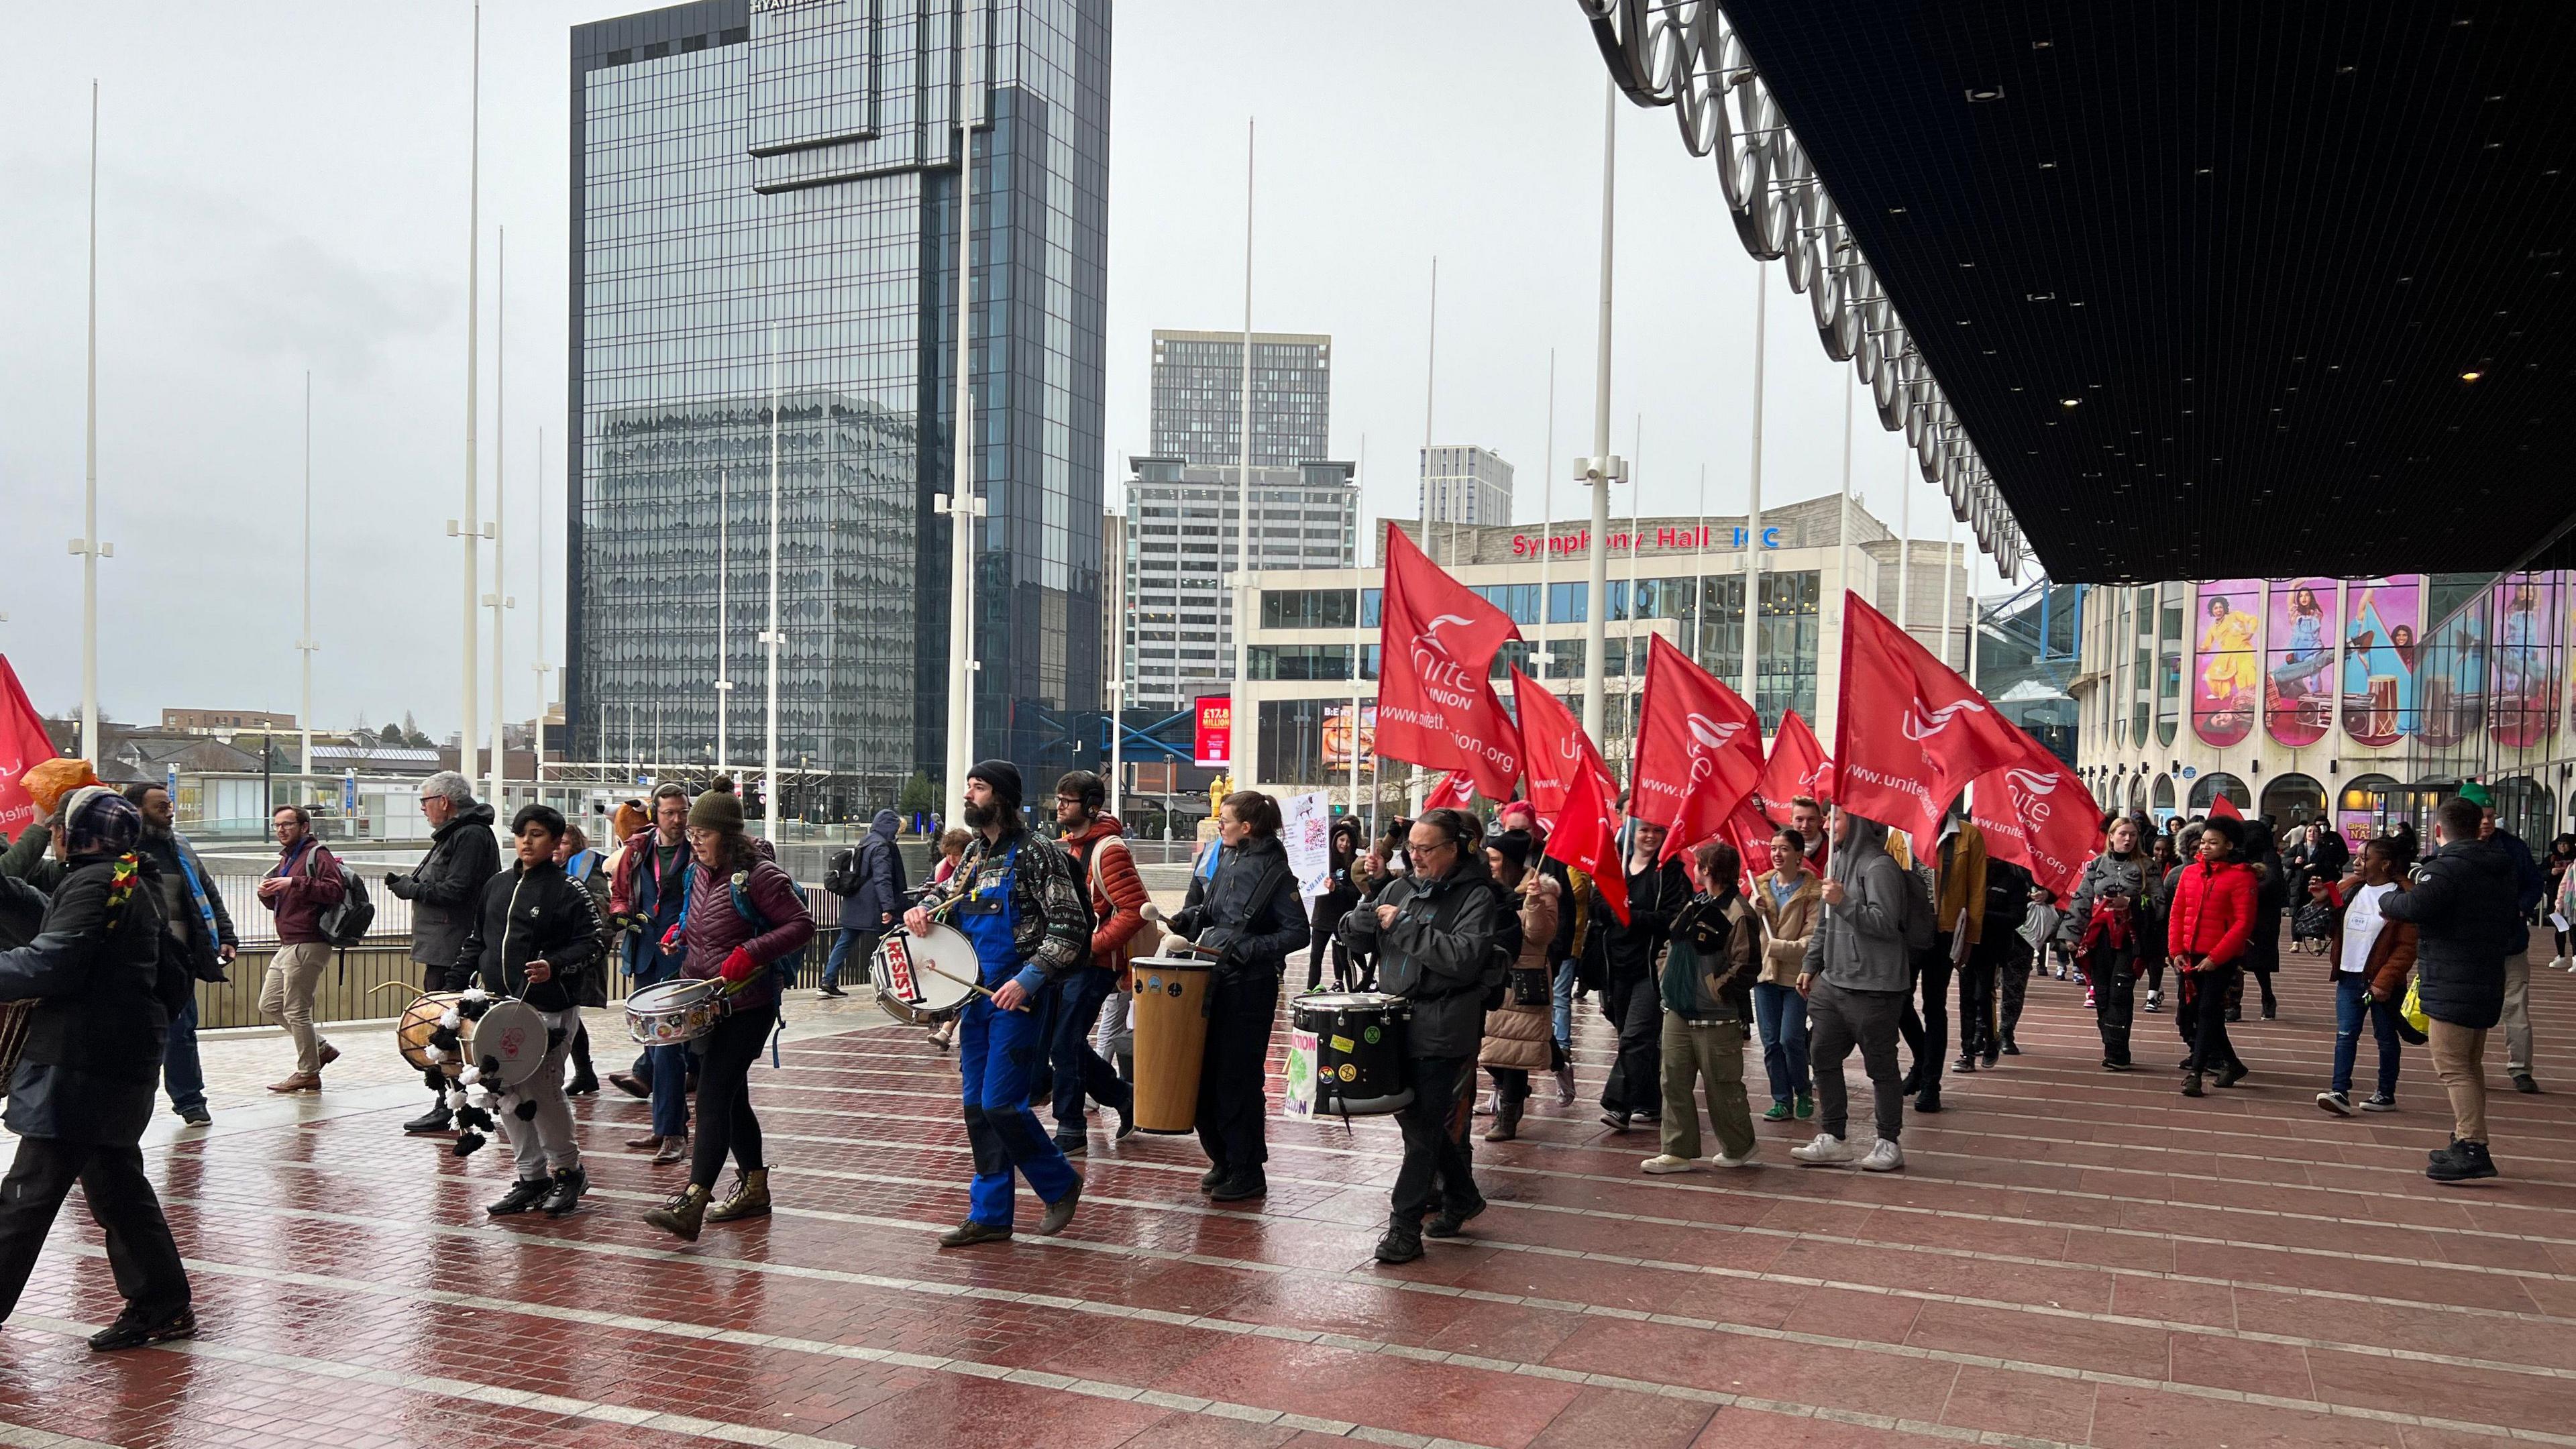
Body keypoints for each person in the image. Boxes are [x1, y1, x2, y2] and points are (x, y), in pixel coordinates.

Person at [0, 786, 195, 1352]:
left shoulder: (95, 881)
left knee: (27, 1194)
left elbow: (52, 962)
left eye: (60, 826)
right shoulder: (131, 877)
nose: (55, 836)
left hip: (80, 1063)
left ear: (80, 833)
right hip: (116, 1058)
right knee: (116, 1187)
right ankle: (162, 1304)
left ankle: (162, 1304)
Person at [901, 761, 1088, 1246]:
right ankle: (990, 1214)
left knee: (1002, 1105)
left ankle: (1060, 1182)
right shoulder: (973, 856)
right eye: (968, 786)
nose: (969, 794)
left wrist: (1028, 979)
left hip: (1018, 999)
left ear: (1001, 797)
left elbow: (1070, 927)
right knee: (976, 1110)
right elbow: (945, 896)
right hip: (977, 999)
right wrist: (922, 909)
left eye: (978, 787)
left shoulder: (1038, 853)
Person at [641, 780, 816, 1240]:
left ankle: (695, 1197)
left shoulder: (759, 875)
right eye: (692, 832)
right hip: (707, 999)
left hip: (749, 1002)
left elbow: (802, 925)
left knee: (715, 1091)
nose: (694, 840)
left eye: (704, 833)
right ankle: (755, 1188)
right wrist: (680, 935)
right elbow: (699, 920)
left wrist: (753, 952)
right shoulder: (698, 872)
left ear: (730, 834)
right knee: (732, 1097)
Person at [1340, 808, 1511, 1264]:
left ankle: (1404, 1228)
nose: (1415, 856)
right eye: (1411, 847)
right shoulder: (1400, 886)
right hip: (1396, 1023)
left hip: (1445, 1024)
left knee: (1420, 1131)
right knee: (1419, 1123)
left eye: (1426, 848)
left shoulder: (1477, 897)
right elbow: (1356, 935)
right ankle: (1463, 1195)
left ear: (1455, 849)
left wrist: (1406, 926)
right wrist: (1357, 925)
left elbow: (1462, 959)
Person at [464, 804, 608, 1219]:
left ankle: (568, 1172)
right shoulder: (497, 885)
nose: (527, 842)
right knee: (505, 1091)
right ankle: (531, 1178)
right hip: (497, 1007)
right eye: (522, 833)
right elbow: (478, 941)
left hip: (548, 1011)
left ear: (555, 842)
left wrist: (555, 966)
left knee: (543, 1092)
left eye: (538, 834)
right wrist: (452, 986)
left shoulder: (569, 890)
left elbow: (595, 943)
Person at [1169, 790, 1307, 1202]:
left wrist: (1246, 950)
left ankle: (1247, 1169)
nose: (1220, 825)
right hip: (1211, 978)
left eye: (1225, 819)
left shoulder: (1276, 872)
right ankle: (1223, 1159)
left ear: (1246, 827)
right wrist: (1189, 920)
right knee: (1203, 1074)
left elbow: (1298, 932)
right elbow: (1212, 913)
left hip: (1249, 987)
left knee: (1237, 1080)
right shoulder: (1225, 856)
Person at [2379, 795, 2518, 1182]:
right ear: (2479, 827)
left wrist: (2389, 898)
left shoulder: (2446, 870)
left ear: (2438, 831)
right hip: (2486, 975)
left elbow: (2415, 907)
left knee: (2453, 1067)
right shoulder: (2499, 868)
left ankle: (2473, 1146)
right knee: (2470, 1065)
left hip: (2453, 978)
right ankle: (2465, 1138)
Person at [1791, 809, 1914, 1172]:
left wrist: (1843, 901)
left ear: (1858, 822)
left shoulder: (1879, 866)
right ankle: (1832, 1137)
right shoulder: (1837, 861)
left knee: (1881, 1066)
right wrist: (1812, 965)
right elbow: (1825, 925)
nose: (1827, 825)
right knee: (1822, 1057)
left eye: (1836, 819)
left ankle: (1888, 1142)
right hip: (1833, 982)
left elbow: (1886, 924)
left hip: (1874, 987)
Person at [386, 771, 500, 1134]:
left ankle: (447, 1104)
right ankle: (453, 1101)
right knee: (446, 1023)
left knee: (443, 1024)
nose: (423, 809)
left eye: (425, 802)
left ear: (444, 802)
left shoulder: (468, 835)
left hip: (453, 944)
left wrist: (410, 889)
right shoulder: (463, 832)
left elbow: (456, 889)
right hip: (446, 941)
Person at [1640, 839, 1763, 1173]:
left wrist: (1715, 991)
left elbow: (1747, 964)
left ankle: (1739, 1145)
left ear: (1707, 870)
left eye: (1698, 864)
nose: (1694, 869)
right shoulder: (1695, 904)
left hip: (1716, 1017)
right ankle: (1676, 1150)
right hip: (1677, 1011)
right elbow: (1670, 943)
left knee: (1721, 1085)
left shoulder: (1739, 912)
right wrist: (1667, 978)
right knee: (1673, 1080)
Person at [122, 783, 236, 1128]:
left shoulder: (181, 847)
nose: (170, 812)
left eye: (170, 805)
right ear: (136, 811)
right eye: (160, 807)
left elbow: (208, 893)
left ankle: (191, 1103)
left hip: (179, 961)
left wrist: (226, 934)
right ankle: (122, 1103)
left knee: (182, 1032)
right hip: (133, 962)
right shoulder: (119, 850)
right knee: (128, 1034)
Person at [1048, 771, 1139, 1152]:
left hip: (1097, 962)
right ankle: (1123, 1096)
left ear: (1090, 806)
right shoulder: (1069, 846)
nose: (1059, 806)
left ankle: (1071, 1128)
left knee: (1065, 1042)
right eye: (1058, 798)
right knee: (1062, 1041)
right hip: (1073, 960)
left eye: (1067, 800)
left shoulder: (1109, 849)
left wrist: (1091, 947)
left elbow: (1132, 912)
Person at [608, 783, 695, 1163]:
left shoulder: (698, 851)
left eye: (682, 812)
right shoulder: (638, 850)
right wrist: (620, 913)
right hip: (645, 953)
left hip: (682, 957)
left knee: (669, 1046)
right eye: (669, 813)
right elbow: (620, 892)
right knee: (655, 1044)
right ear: (655, 815)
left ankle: (673, 1130)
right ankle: (666, 1125)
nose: (677, 820)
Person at [2310, 837, 2416, 1116]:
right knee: (2346, 1034)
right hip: (2348, 975)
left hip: (2380, 980)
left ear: (2385, 864)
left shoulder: (2404, 897)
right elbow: (2329, 916)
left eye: (2364, 858)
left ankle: (2386, 1093)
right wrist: (2321, 898)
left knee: (2386, 1037)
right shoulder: (2349, 889)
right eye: (2356, 857)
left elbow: (2406, 948)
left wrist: (2385, 980)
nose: (2356, 863)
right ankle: (2339, 1091)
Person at [1598, 819, 1690, 1132]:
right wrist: (1611, 911)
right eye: (1644, 830)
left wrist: (1631, 917)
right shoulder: (1618, 866)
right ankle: (1650, 1102)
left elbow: (1673, 917)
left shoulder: (1671, 872)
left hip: (1652, 968)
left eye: (1657, 830)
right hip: (1617, 967)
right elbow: (1598, 903)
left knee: (1635, 1036)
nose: (1650, 836)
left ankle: (1618, 1105)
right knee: (1636, 1039)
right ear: (1632, 833)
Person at [2459, 782, 2546, 1093]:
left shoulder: (2514, 848)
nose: (2486, 822)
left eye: (2491, 816)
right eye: (2481, 816)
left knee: (2516, 1007)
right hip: (2471, 948)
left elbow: (2535, 884)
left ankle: (2521, 1069)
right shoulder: (2455, 849)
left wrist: (2522, 908)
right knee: (2470, 1010)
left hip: (2511, 943)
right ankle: (2468, 1066)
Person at [1475, 827, 1560, 1142]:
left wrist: (1535, 901)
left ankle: (1508, 1116)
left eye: (1496, 859)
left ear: (1509, 862)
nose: (1491, 864)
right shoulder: (1487, 889)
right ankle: (1518, 1088)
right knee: (1490, 1053)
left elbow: (1540, 937)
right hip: (1493, 977)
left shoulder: (1543, 890)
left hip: (1525, 980)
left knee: (1514, 1055)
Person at [1898, 804, 1982, 1112]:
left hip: (1945, 931)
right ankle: (1922, 1062)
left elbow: (1976, 892)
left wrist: (1970, 939)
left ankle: (1931, 1083)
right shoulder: (1901, 832)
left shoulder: (1967, 836)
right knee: (1898, 1001)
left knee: (1935, 1006)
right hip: (1907, 933)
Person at [256, 804, 345, 1094]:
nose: (281, 830)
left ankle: (308, 1072)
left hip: (309, 941)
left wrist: (293, 881)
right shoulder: (287, 858)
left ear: (304, 827)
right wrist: (268, 895)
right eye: (277, 825)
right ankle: (319, 1048)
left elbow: (334, 890)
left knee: (296, 1010)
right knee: (269, 1004)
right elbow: (289, 901)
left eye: (288, 825)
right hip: (289, 942)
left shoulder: (317, 854)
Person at [2167, 815, 2255, 1097]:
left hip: (2220, 957)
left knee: (2207, 1010)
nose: (2204, 847)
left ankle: (2196, 1071)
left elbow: (2243, 923)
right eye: (2203, 842)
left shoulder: (2242, 877)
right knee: (2200, 1012)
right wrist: (2176, 950)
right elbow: (2177, 912)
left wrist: (2216, 957)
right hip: (2191, 954)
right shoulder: (2190, 873)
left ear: (2229, 845)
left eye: (2212, 843)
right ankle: (2232, 1064)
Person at [2065, 817, 2148, 1069]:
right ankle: (2111, 1043)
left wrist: (2132, 904)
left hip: (2130, 939)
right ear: (2111, 836)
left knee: (2120, 993)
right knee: (2102, 994)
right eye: (2122, 834)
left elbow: (2160, 903)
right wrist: (2070, 935)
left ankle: (2118, 1052)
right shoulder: (2097, 865)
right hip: (2099, 939)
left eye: (2132, 835)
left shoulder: (2147, 866)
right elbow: (2081, 899)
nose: (2127, 839)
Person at [1748, 826, 1819, 1122]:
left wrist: (1779, 947)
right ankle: (1781, 1099)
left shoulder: (1812, 894)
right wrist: (1753, 911)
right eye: (1774, 848)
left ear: (1799, 855)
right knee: (1770, 1041)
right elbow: (1746, 933)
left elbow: (1811, 942)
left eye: (1784, 849)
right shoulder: (1759, 888)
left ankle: (1802, 1089)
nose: (1777, 854)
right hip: (1766, 977)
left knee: (1791, 1038)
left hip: (1796, 978)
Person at [821, 808, 907, 998]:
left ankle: (827, 982)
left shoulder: (866, 841)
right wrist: (888, 907)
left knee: (844, 941)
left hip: (854, 902)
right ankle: (889, 985)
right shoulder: (882, 846)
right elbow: (882, 878)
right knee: (890, 941)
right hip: (873, 905)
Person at [553, 822, 610, 1097]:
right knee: (570, 1015)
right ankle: (585, 1073)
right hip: (556, 954)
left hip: (577, 954)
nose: (558, 848)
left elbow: (601, 909)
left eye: (564, 843)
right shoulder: (551, 872)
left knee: (569, 1013)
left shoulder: (587, 868)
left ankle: (581, 1073)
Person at [921, 826, 974, 1051]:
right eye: (949, 855)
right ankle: (946, 1027)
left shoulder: (972, 868)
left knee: (968, 984)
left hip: (966, 934)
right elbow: (938, 892)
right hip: (950, 933)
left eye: (957, 855)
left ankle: (948, 1030)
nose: (952, 859)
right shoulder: (943, 869)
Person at [1309, 816, 1364, 991]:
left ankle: (1354, 991)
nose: (1344, 844)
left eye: (1348, 841)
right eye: (1341, 840)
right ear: (1335, 841)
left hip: (1343, 919)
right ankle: (1310, 991)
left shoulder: (1355, 863)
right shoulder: (1323, 859)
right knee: (1315, 957)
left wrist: (1336, 889)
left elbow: (1356, 893)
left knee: (1346, 958)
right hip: (1322, 916)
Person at [2138, 834, 2179, 1009]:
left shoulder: (2176, 868)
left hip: (2168, 917)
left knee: (2157, 957)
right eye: (2157, 849)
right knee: (2146, 956)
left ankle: (2152, 995)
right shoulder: (2145, 864)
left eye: (2165, 850)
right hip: (2148, 916)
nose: (2161, 853)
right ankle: (2156, 988)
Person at [2544, 833, 2576, 971]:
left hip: (2571, 900)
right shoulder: (2551, 858)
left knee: (2574, 930)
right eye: (2560, 844)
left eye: (2565, 844)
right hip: (2556, 897)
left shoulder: (2573, 861)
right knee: (2560, 928)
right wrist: (2551, 872)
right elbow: (2539, 872)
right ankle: (2561, 955)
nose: (2562, 847)